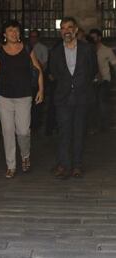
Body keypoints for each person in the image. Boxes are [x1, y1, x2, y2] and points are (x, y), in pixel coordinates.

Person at [0, 20, 44, 179]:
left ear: (20, 33)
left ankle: (25, 155)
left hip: (24, 96)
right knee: (7, 131)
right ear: (4, 34)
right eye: (10, 30)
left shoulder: (27, 49)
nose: (13, 33)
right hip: (4, 97)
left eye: (16, 30)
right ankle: (11, 165)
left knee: (23, 131)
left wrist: (41, 89)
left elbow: (38, 69)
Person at [49, 17, 98, 179]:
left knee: (78, 132)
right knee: (64, 132)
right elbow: (54, 73)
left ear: (76, 30)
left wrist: (79, 83)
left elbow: (93, 70)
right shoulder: (55, 51)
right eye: (63, 28)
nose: (66, 30)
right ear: (61, 31)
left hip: (82, 97)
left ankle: (77, 165)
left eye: (70, 27)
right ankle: (64, 165)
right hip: (63, 98)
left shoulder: (87, 49)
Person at [89, 28, 116, 132]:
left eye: (94, 37)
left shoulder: (107, 50)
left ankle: (104, 125)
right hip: (92, 81)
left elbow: (114, 64)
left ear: (99, 38)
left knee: (101, 101)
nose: (92, 39)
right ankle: (96, 125)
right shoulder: (88, 50)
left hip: (104, 79)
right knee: (94, 103)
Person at [27, 29, 49, 131]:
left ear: (38, 38)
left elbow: (44, 66)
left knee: (37, 104)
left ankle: (36, 124)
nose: (33, 39)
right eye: (31, 36)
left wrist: (34, 59)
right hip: (28, 80)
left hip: (38, 79)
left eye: (35, 36)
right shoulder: (25, 48)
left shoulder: (42, 48)